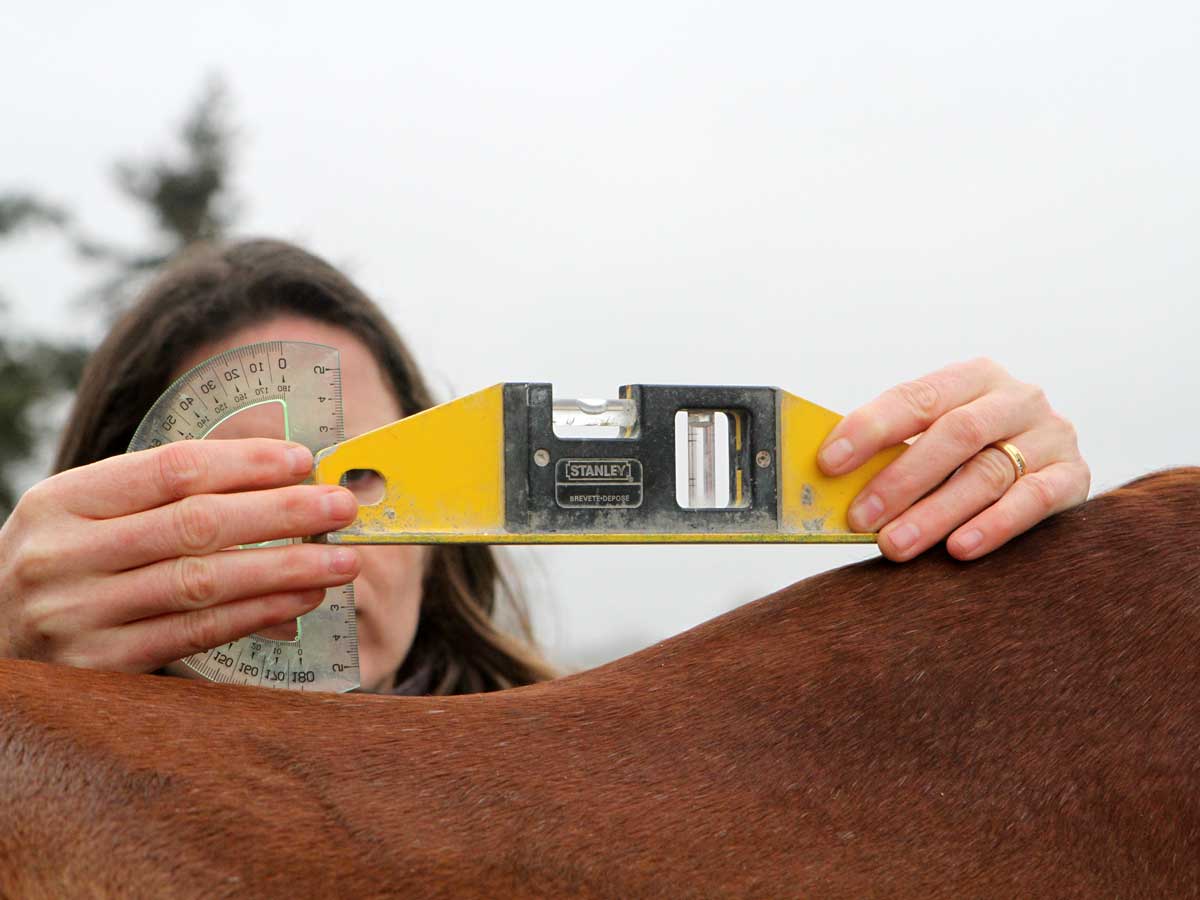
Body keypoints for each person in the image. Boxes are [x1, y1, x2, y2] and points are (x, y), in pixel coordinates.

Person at [0, 239, 1091, 694]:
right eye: (231, 495)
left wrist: (1024, 555)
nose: (309, 531)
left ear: (447, 543)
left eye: (360, 480)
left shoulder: (602, 774)